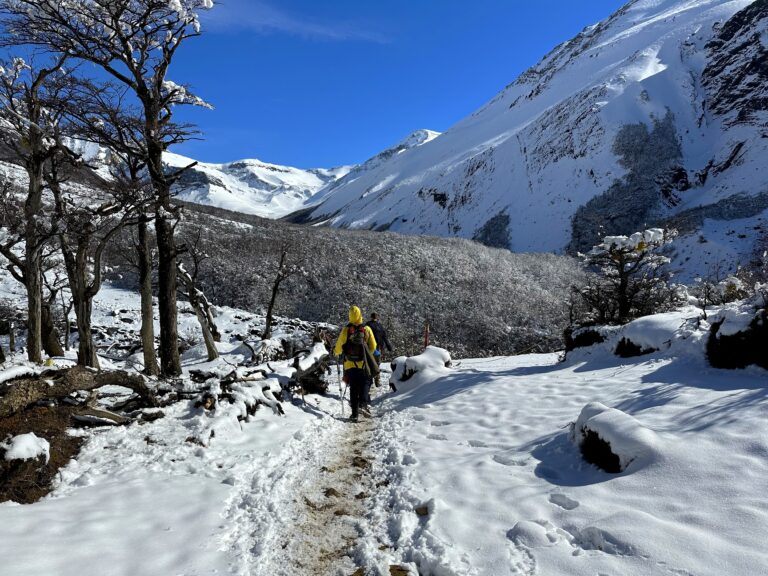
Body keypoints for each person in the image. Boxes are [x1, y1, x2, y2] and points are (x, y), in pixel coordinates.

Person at [334, 305, 377, 422]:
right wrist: (367, 353)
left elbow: (339, 347)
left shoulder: (346, 330)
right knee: (365, 383)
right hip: (363, 363)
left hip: (349, 364)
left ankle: (354, 414)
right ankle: (363, 404)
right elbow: (373, 346)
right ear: (360, 315)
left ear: (350, 316)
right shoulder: (367, 329)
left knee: (353, 388)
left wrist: (336, 352)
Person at [366, 312, 393, 388]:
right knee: (377, 364)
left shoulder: (367, 325)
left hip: (369, 348)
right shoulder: (380, 326)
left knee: (369, 364)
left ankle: (369, 381)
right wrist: (388, 346)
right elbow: (385, 337)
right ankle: (377, 381)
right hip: (377, 348)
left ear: (371, 317)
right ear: (377, 318)